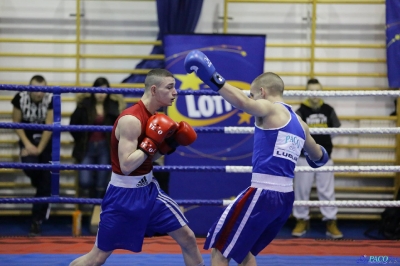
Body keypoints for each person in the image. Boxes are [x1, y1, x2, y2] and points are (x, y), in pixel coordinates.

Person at [184, 50, 330, 266]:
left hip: (263, 193)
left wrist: (210, 76)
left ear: (262, 92)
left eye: (253, 95)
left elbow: (242, 102)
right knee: (243, 251)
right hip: (284, 199)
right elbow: (319, 157)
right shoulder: (301, 124)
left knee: (220, 249)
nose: (253, 100)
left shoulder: (269, 108)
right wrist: (317, 154)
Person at [69, 69, 205, 266]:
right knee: (97, 257)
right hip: (123, 196)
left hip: (150, 192)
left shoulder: (155, 118)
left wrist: (168, 145)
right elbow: (126, 165)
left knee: (188, 238)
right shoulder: (131, 120)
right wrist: (151, 141)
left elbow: (147, 157)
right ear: (153, 89)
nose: (175, 92)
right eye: (169, 87)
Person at [292, 78, 343, 239]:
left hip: (325, 156)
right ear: (307, 92)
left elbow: (336, 129)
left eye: (317, 90)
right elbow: (296, 132)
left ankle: (330, 220)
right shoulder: (300, 111)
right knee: (301, 191)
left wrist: (324, 142)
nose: (315, 94)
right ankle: (301, 219)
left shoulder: (328, 110)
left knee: (327, 191)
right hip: (303, 157)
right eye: (311, 91)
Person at [11, 75, 53, 236]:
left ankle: (36, 221)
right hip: (27, 140)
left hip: (45, 141)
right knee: (33, 171)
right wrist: (27, 145)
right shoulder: (20, 97)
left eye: (42, 89)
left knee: (46, 181)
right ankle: (41, 196)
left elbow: (49, 126)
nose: (39, 93)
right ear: (30, 88)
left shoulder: (50, 97)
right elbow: (16, 122)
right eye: (36, 89)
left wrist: (40, 148)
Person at [69, 77, 124, 199]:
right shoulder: (84, 105)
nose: (101, 94)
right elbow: (72, 124)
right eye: (98, 90)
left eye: (104, 91)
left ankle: (97, 207)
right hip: (87, 147)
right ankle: (92, 201)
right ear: (93, 91)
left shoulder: (113, 106)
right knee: (85, 181)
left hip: (105, 147)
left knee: (102, 183)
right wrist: (80, 139)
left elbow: (120, 127)